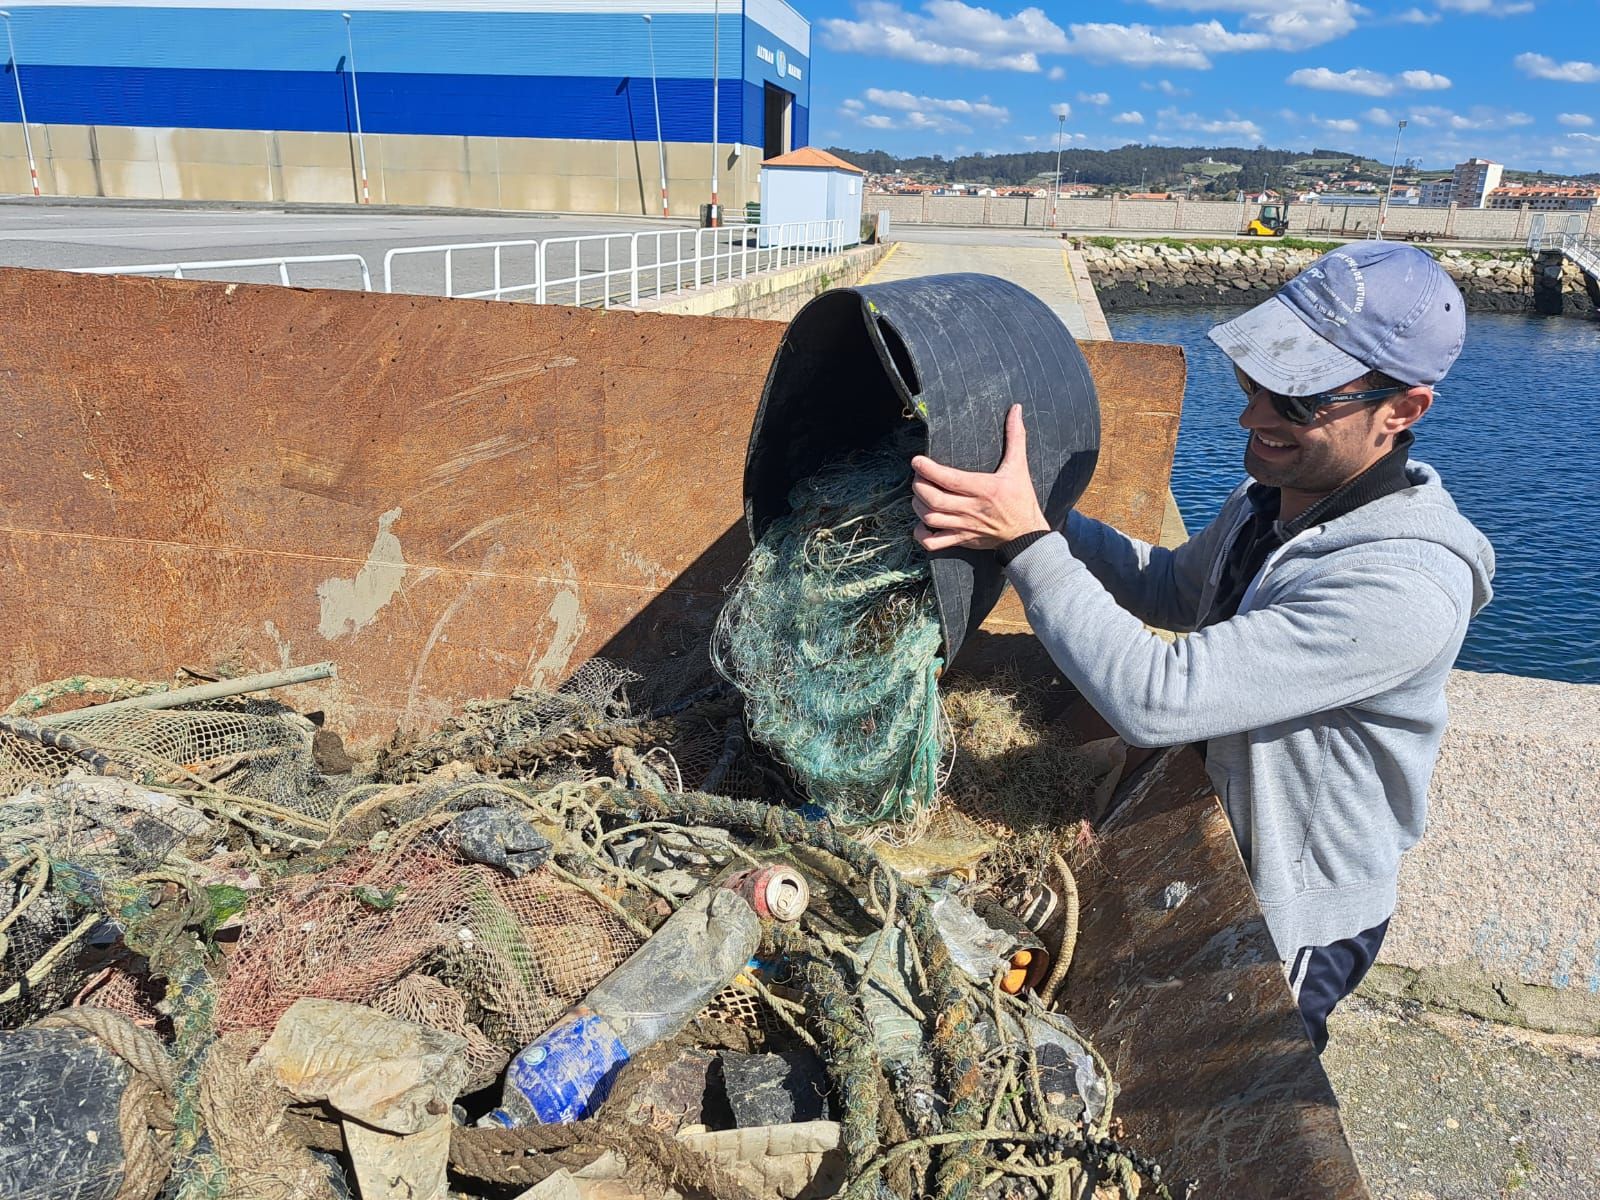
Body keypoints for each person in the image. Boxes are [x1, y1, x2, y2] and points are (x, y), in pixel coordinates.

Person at [909, 241, 1495, 1052]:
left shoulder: (1402, 585)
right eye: (1254, 380)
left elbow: (1157, 697)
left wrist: (1025, 545)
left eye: (1297, 400)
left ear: (1403, 411)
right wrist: (1045, 515)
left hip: (1284, 907)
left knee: (1220, 1075)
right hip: (1199, 842)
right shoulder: (1272, 503)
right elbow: (1169, 590)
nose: (1254, 415)